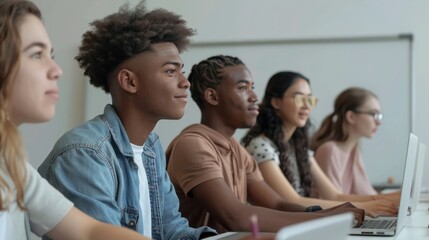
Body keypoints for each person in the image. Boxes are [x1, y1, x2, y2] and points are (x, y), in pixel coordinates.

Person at [37, 1, 215, 239]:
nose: (185, 82)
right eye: (171, 71)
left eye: (181, 71)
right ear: (129, 82)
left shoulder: (151, 147)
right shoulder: (85, 153)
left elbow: (172, 230)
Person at [0, 0, 153, 239]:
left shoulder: (12, 167)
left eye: (50, 54)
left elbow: (88, 231)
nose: (56, 70)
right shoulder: (85, 150)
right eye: (37, 54)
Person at [166, 55, 364, 234]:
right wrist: (323, 219)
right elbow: (236, 217)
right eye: (243, 88)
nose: (254, 97)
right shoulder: (193, 145)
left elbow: (277, 204)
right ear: (212, 97)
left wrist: (323, 212)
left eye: (252, 87)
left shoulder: (237, 150)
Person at [242, 71, 400, 217]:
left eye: (309, 99)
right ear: (276, 102)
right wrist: (362, 207)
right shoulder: (261, 146)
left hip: (300, 225)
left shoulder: (298, 147)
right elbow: (292, 200)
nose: (306, 105)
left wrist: (389, 199)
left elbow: (335, 195)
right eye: (299, 98)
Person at [310, 87, 384, 195]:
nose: (378, 122)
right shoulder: (329, 150)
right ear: (351, 117)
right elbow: (336, 202)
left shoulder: (354, 150)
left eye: (379, 116)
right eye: (373, 114)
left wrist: (395, 198)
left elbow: (366, 193)